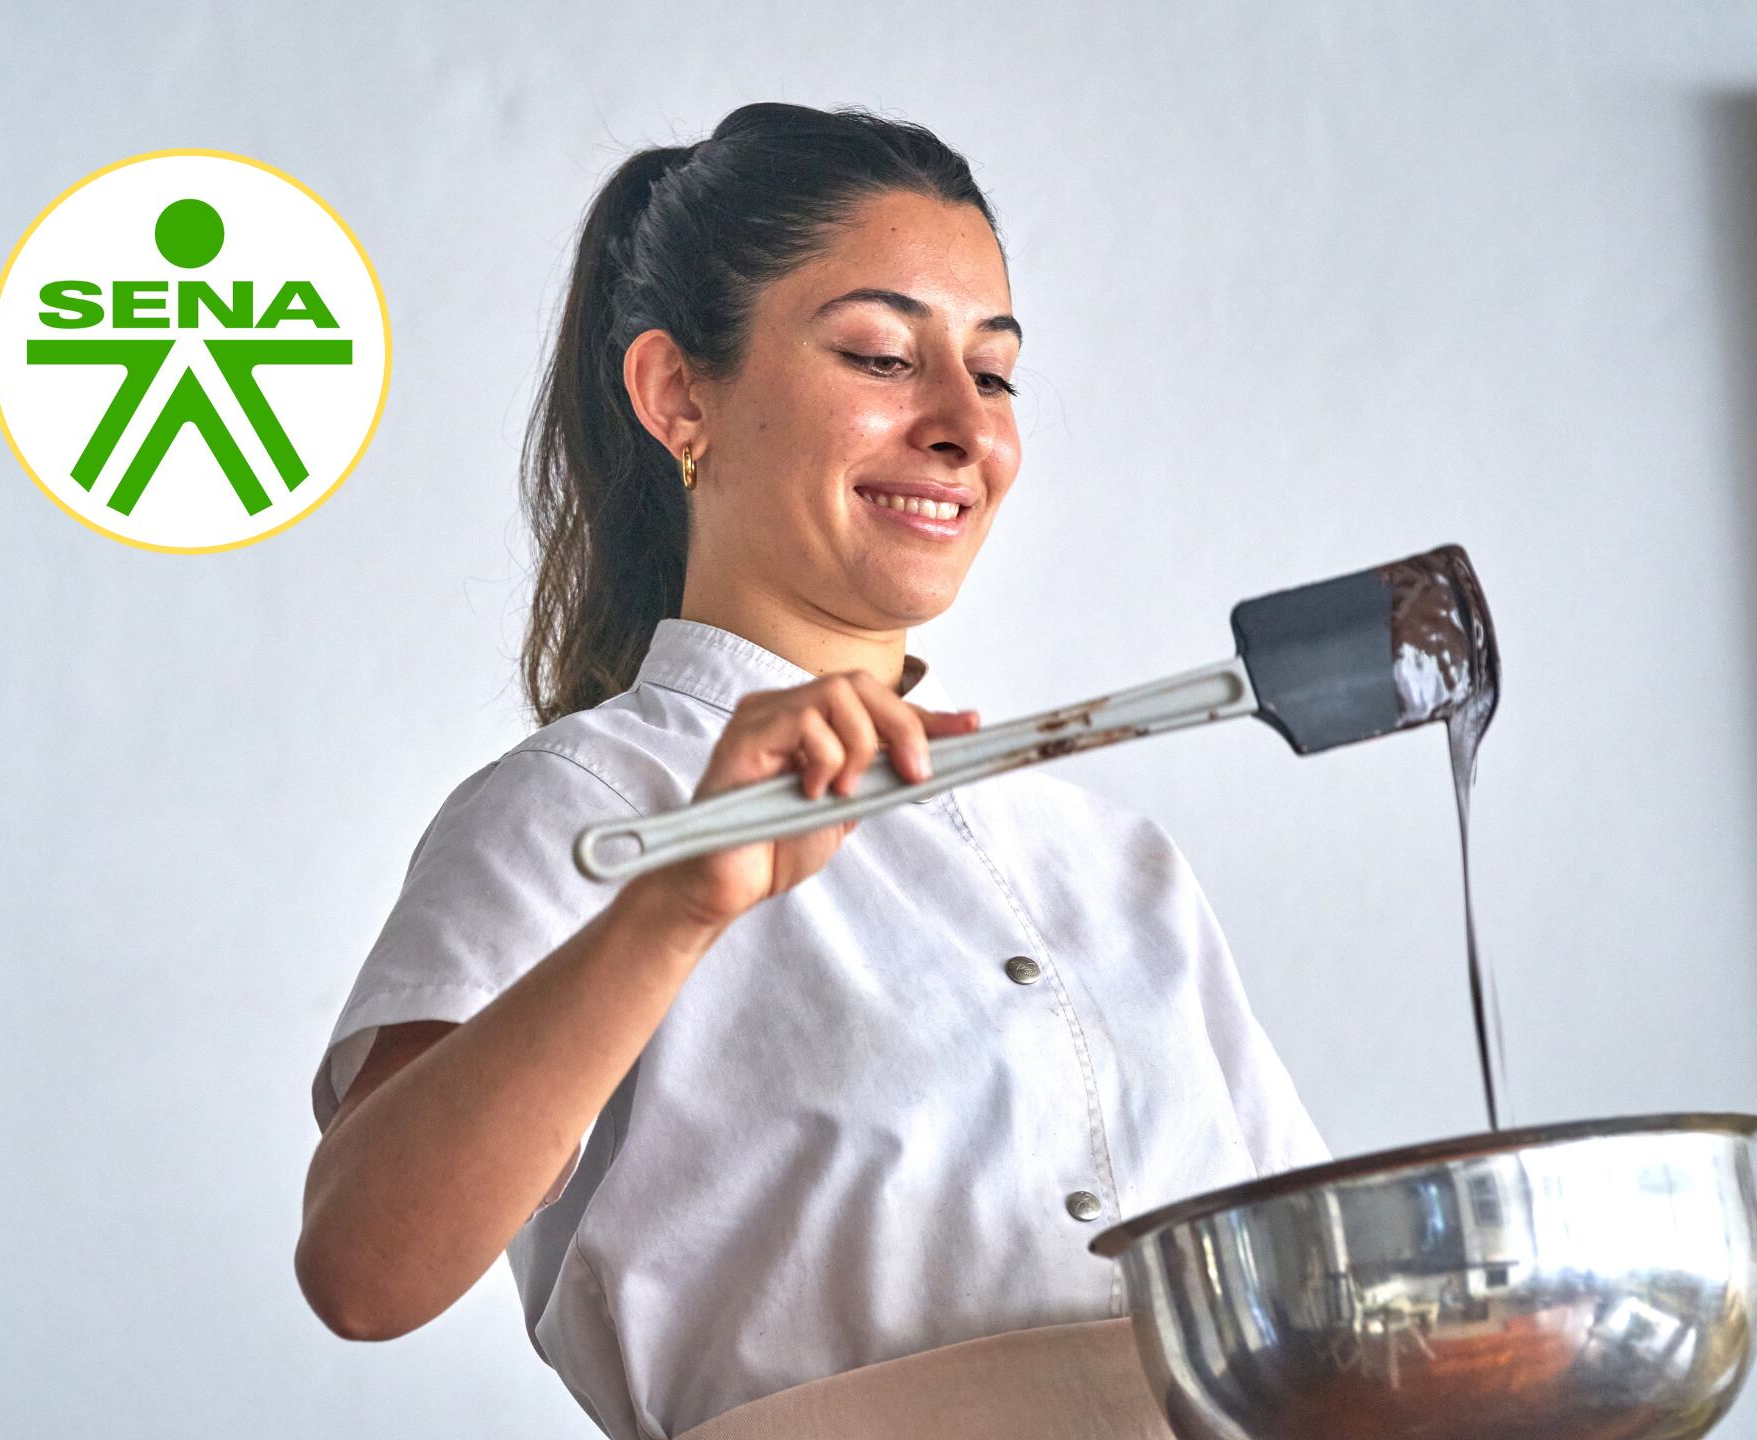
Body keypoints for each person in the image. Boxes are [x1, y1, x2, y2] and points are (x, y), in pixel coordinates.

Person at [296, 101, 1331, 1440]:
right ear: (680, 396)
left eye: (996, 375)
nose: (965, 428)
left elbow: (1315, 1302)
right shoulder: (588, 809)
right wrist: (677, 909)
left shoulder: (1113, 862)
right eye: (883, 356)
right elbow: (365, 1270)